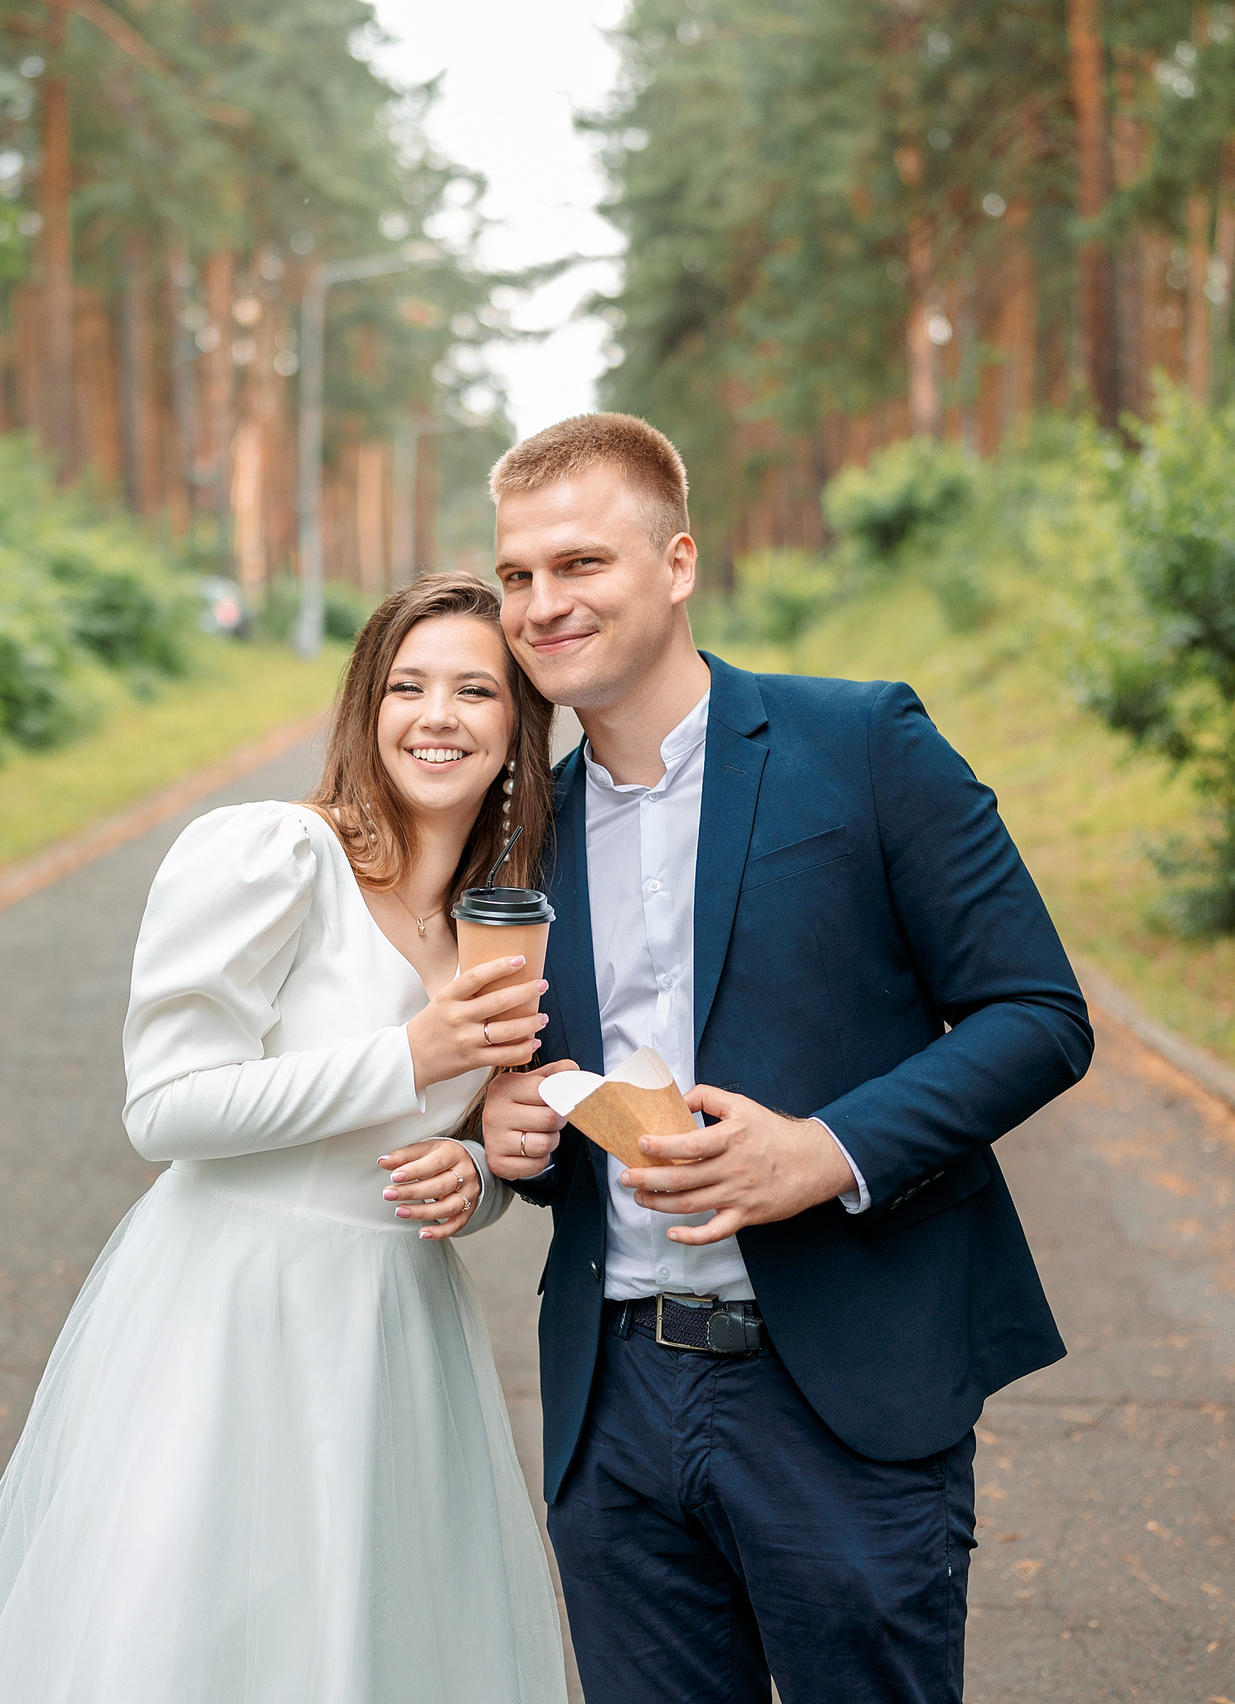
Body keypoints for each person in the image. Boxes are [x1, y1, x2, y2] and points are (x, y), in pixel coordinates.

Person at [480, 414, 1094, 1704]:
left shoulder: (863, 745)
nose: (542, 604)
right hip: (613, 1403)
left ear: (679, 562)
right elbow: (541, 1098)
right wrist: (518, 1137)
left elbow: (1037, 1013)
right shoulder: (518, 834)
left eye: (580, 563)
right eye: (518, 576)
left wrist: (824, 1151)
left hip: (843, 1398)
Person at [0, 571, 571, 1704]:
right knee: (204, 1636)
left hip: (396, 1330)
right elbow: (165, 1109)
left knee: (368, 1644)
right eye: (406, 685)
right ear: (367, 709)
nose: (437, 716)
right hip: (233, 1312)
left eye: (476, 691)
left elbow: (472, 1136)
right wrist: (412, 1053)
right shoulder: (273, 855)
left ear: (519, 726)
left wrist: (475, 1172)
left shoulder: (503, 912)